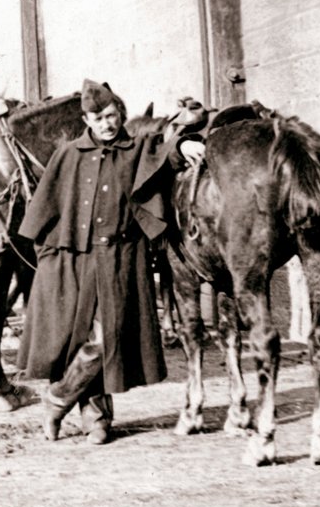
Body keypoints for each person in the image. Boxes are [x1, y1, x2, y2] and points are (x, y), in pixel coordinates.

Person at [17, 79, 204, 444]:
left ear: (120, 113)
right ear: (86, 119)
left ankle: (57, 400)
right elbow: (44, 212)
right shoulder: (68, 154)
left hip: (120, 259)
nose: (107, 123)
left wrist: (185, 143)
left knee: (107, 338)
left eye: (112, 115)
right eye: (98, 117)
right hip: (73, 260)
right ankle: (96, 420)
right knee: (75, 339)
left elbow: (163, 153)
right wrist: (50, 256)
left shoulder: (135, 148)